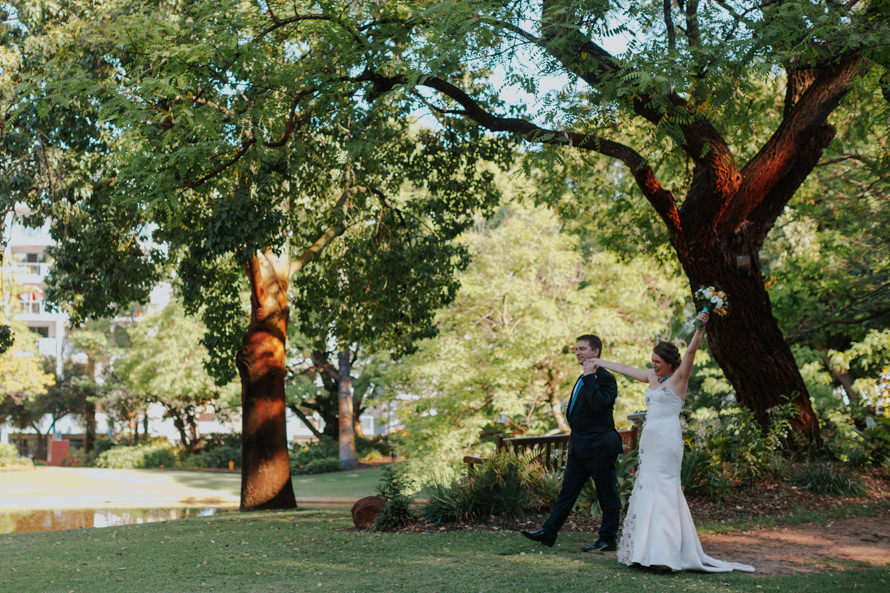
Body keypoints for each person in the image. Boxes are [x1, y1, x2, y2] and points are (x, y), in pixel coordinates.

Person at [592, 311, 755, 572]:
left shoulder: (679, 379)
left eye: (658, 362)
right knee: (647, 488)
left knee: (664, 491)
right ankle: (642, 552)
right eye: (652, 361)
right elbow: (626, 369)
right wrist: (599, 360)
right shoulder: (652, 378)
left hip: (667, 442)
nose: (654, 365)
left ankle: (664, 556)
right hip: (649, 442)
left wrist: (700, 329)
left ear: (669, 362)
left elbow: (690, 354)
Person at [520, 334, 624, 551]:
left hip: (600, 447)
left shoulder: (605, 378)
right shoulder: (581, 377)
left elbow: (598, 405)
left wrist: (589, 378)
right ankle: (548, 533)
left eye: (582, 348)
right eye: (576, 349)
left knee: (607, 495)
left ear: (595, 352)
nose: (577, 352)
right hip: (579, 447)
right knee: (567, 493)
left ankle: (607, 539)